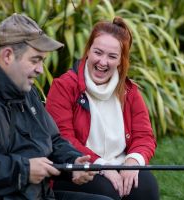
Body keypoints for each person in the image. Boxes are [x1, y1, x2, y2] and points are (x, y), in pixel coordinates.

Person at [0, 13, 114, 200]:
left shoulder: (25, 90)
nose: (41, 69)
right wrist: (22, 171)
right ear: (8, 55)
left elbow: (53, 140)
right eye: (35, 60)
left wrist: (73, 162)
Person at [46, 16, 159, 200]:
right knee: (108, 190)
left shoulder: (129, 91)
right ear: (88, 51)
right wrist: (101, 167)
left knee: (145, 187)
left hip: (121, 163)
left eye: (112, 56)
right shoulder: (64, 86)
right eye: (98, 52)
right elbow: (63, 139)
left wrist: (132, 162)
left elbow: (144, 136)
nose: (103, 62)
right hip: (80, 168)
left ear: (121, 61)